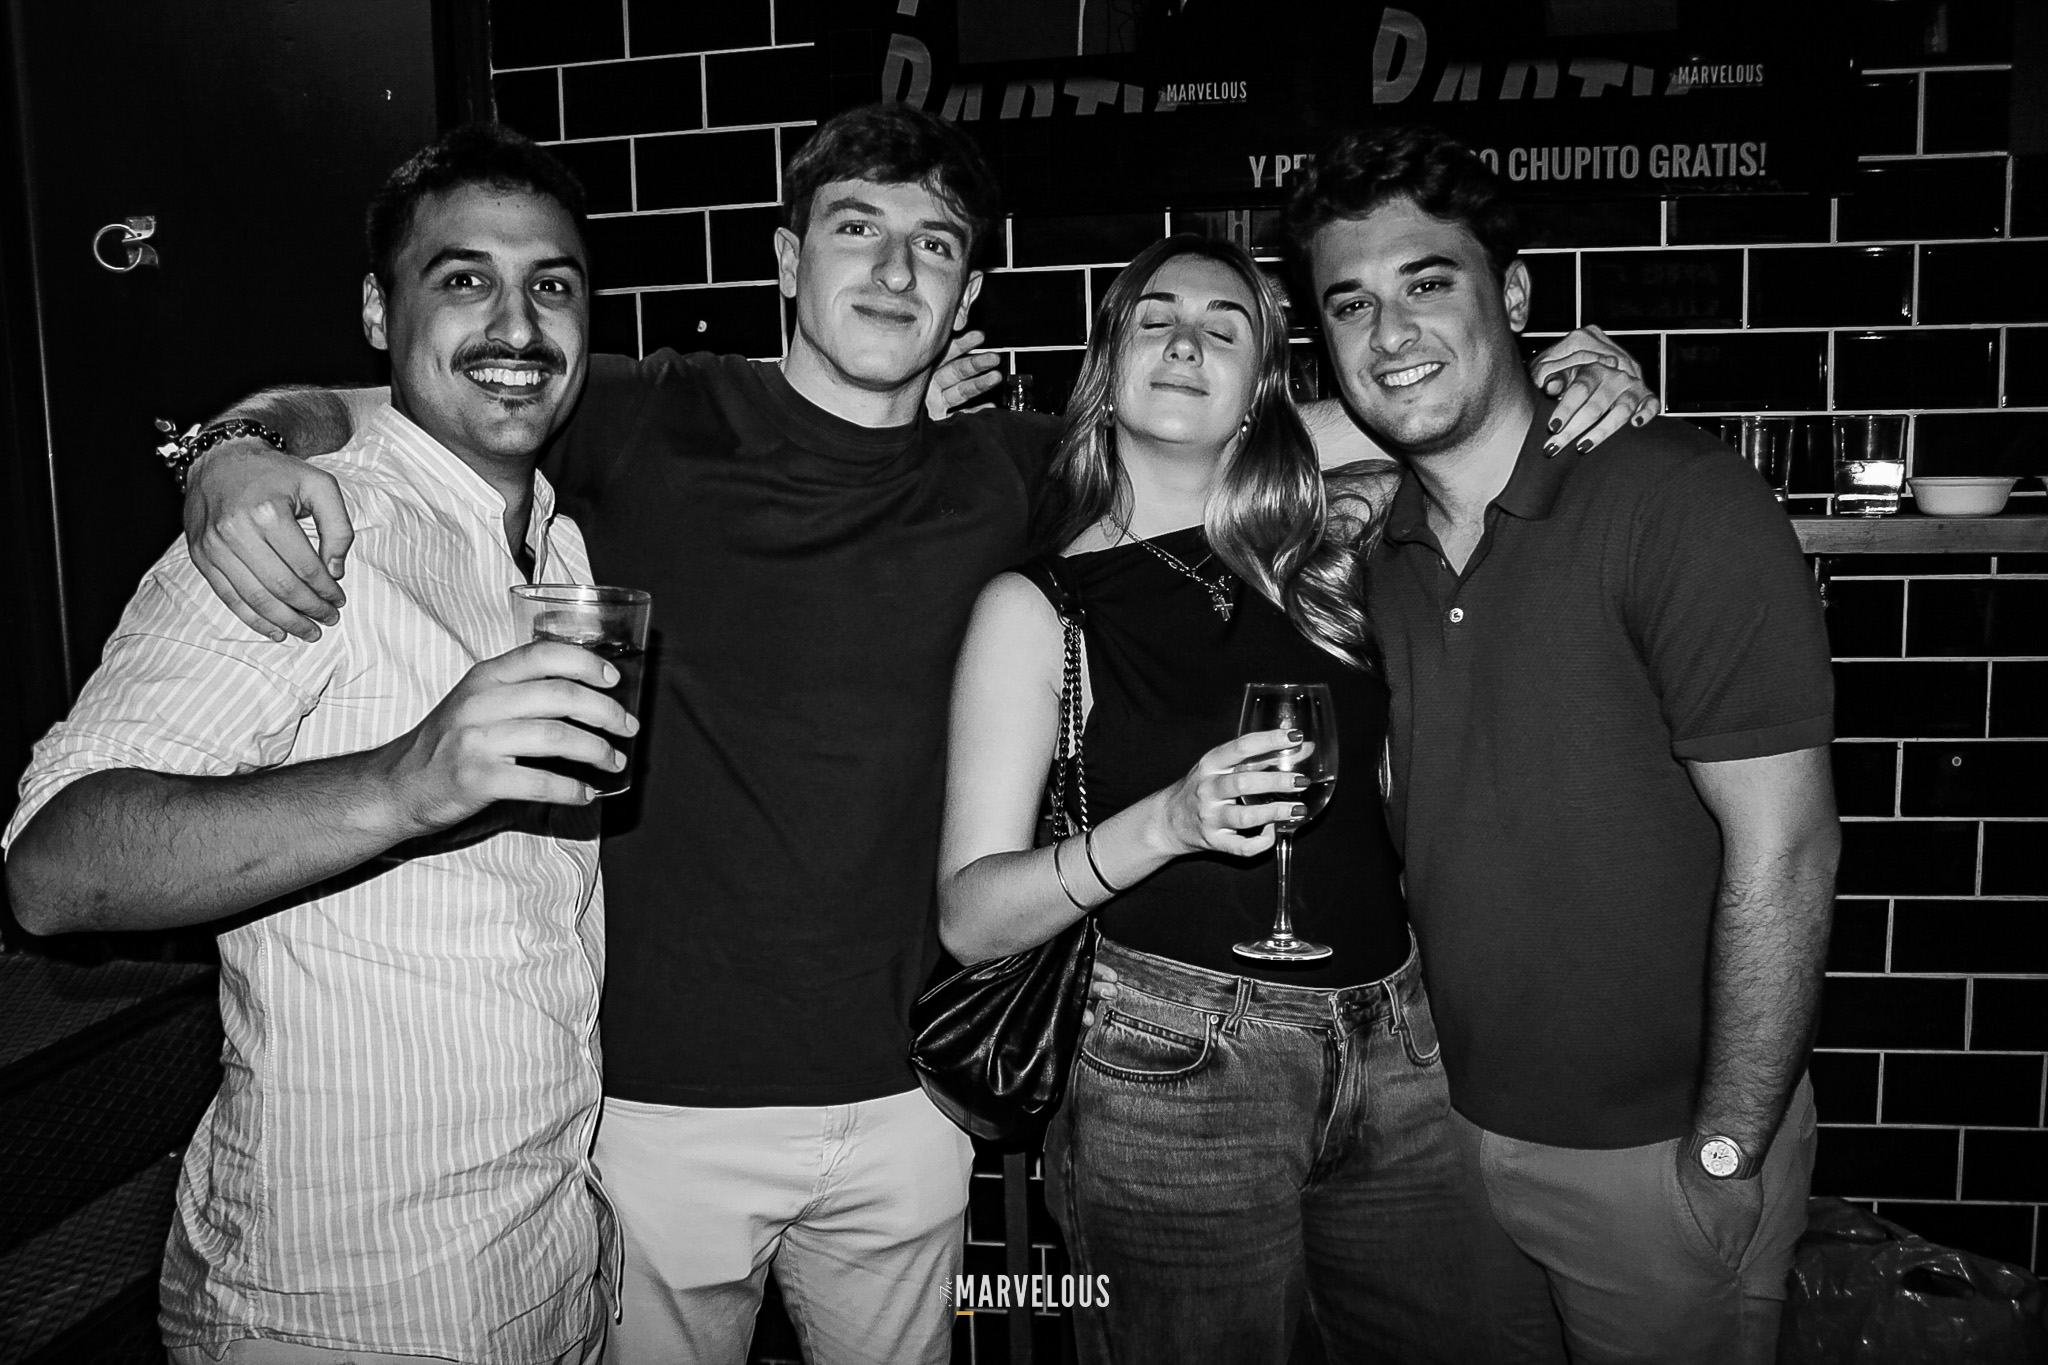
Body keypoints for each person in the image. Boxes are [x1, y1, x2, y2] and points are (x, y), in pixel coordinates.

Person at [173, 104, 1655, 1365]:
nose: (893, 269)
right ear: (785, 262)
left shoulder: (1009, 467)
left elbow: (1237, 432)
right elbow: (397, 397)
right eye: (856, 231)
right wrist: (236, 449)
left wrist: (1534, 390)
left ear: (968, 295)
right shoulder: (650, 415)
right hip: (658, 1102)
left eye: (933, 246)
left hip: (915, 1100)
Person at [3, 125, 634, 1364]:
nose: (516, 325)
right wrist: (405, 782)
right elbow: (53, 870)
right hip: (345, 1304)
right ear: (377, 310)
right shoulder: (305, 531)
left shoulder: (553, 544)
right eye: (463, 279)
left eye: (551, 286)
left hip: (548, 1262)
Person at [1286, 124, 1840, 1364]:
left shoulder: (1673, 498)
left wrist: (1723, 1150)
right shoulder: (1377, 543)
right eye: (1350, 305)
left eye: (1428, 283)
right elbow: (1179, 449)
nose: (1389, 331)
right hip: (1448, 1133)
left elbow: (1789, 851)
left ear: (1517, 296)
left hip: (1656, 1156)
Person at [938, 232, 1478, 1364]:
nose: (1186, 343)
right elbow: (970, 917)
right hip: (1178, 1071)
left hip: (1403, 1049)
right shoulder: (1040, 606)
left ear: (1260, 392)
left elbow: (1452, 418)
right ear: (1106, 370)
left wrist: (1584, 382)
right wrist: (1166, 824)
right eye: (1156, 321)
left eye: (1223, 330)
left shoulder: (1331, 557)